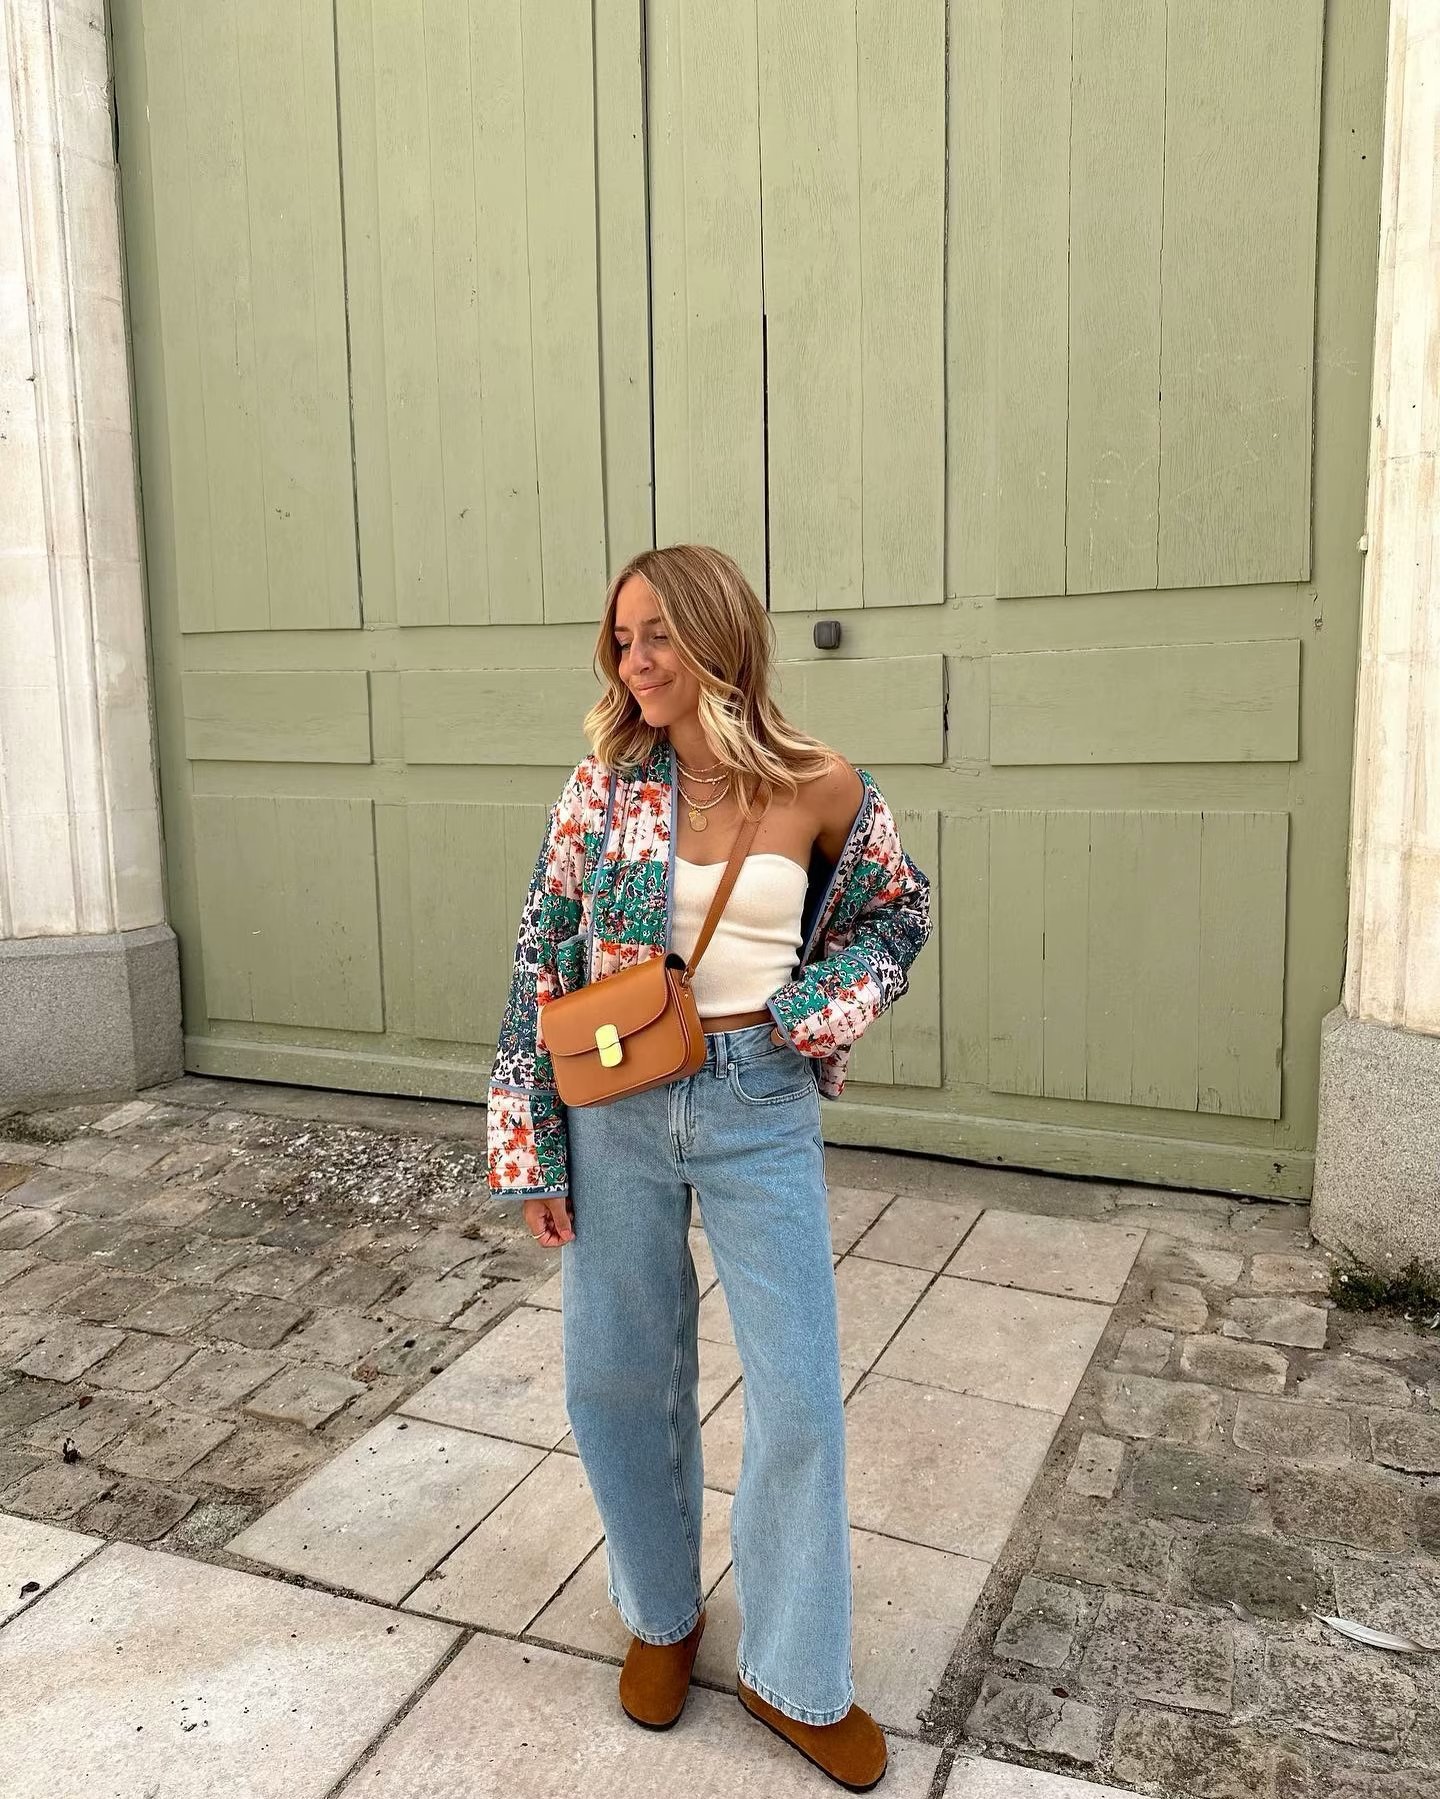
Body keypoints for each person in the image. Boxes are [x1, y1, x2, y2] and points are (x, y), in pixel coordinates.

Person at [487, 544, 932, 1791]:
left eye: (659, 634)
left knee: (797, 1392)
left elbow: (898, 913)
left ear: (719, 632)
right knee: (616, 1374)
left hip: (756, 1099)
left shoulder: (820, 785)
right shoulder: (600, 790)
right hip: (616, 1104)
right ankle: (661, 1613)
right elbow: (541, 957)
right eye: (622, 638)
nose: (636, 659)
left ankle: (794, 1669)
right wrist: (532, 1144)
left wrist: (813, 1013)